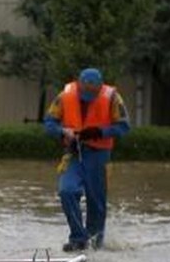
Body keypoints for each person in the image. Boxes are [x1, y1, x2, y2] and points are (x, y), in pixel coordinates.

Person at [43, 67, 130, 251]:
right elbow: (49, 123)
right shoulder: (65, 96)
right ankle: (79, 237)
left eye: (92, 93)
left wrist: (100, 132)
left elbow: (123, 127)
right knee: (66, 191)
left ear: (100, 87)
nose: (87, 98)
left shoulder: (113, 97)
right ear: (79, 85)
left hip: (99, 156)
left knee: (96, 202)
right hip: (74, 153)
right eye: (85, 93)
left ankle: (96, 244)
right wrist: (62, 131)